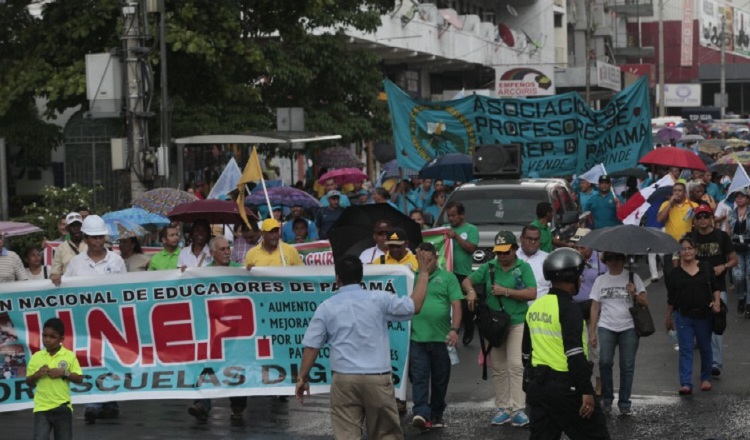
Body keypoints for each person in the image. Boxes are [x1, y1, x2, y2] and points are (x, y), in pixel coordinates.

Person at [295, 253, 430, 439]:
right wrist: (423, 273)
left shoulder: (326, 307)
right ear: (360, 277)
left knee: (346, 435)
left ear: (337, 278)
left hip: (344, 380)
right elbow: (414, 306)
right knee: (386, 435)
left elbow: (312, 347)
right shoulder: (380, 299)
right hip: (377, 378)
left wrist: (302, 378)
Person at [522, 248, 610, 440]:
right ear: (572, 277)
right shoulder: (570, 309)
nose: (582, 280)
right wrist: (586, 391)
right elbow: (575, 354)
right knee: (596, 434)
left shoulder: (536, 306)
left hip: (539, 386)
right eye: (580, 275)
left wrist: (530, 386)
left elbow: (526, 353)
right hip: (566, 387)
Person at [462, 231, 537, 427]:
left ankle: (518, 408)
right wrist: (470, 292)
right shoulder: (489, 266)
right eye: (499, 252)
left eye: (506, 252)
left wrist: (506, 292)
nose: (502, 256)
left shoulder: (523, 267)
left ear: (514, 249)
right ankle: (503, 408)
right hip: (494, 324)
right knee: (499, 367)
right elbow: (467, 280)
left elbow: (532, 293)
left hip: (516, 322)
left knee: (515, 365)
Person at [57, 215, 126, 423]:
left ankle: (110, 403)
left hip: (111, 321)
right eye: (93, 237)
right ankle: (93, 403)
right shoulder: (76, 263)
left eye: (100, 237)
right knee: (91, 360)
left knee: (110, 362)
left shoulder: (116, 261)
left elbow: (126, 289)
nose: (97, 241)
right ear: (85, 238)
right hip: (84, 323)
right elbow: (65, 290)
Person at [189, 235, 248, 423]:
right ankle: (202, 404)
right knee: (206, 365)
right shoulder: (202, 274)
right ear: (212, 253)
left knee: (237, 365)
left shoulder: (241, 270)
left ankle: (238, 404)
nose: (227, 252)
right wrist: (184, 275)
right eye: (222, 249)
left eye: (228, 248)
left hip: (236, 329)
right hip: (212, 329)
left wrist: (255, 272)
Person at [408, 242, 462, 431]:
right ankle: (421, 413)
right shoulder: (410, 278)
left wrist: (455, 329)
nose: (425, 265)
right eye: (421, 261)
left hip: (441, 339)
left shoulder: (448, 278)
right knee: (419, 377)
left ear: (436, 258)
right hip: (417, 339)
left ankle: (436, 412)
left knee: (440, 379)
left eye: (428, 261)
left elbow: (456, 304)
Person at [589, 251, 647, 415]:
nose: (613, 262)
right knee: (605, 362)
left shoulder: (633, 277)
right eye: (610, 259)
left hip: (629, 327)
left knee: (627, 366)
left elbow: (645, 301)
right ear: (605, 261)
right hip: (606, 326)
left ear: (623, 260)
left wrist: (634, 292)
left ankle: (624, 402)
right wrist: (592, 332)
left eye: (617, 259)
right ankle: (607, 399)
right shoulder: (600, 280)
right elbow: (595, 306)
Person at [665, 236, 721, 395]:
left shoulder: (705, 267)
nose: (687, 251)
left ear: (695, 250)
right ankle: (686, 383)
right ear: (679, 252)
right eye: (684, 248)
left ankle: (705, 378)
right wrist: (668, 317)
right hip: (683, 316)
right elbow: (671, 298)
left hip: (704, 315)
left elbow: (715, 287)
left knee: (705, 347)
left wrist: (717, 302)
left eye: (690, 248)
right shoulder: (674, 274)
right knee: (686, 349)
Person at [689, 204, 736, 377]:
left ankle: (716, 363)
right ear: (694, 220)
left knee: (717, 325)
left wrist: (723, 267)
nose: (703, 219)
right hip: (696, 288)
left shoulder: (721, 236)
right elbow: (682, 259)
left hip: (718, 286)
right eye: (699, 216)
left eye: (706, 216)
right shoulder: (691, 238)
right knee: (699, 327)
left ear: (711, 219)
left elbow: (733, 260)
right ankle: (706, 361)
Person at [26, 318, 84, 440]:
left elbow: (79, 379)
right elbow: (29, 382)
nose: (47, 339)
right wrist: (37, 374)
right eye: (44, 336)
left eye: (52, 337)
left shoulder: (69, 356)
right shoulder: (36, 357)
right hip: (41, 407)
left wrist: (64, 372)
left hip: (62, 407)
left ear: (61, 339)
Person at [570, 227, 605, 397]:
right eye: (576, 247)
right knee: (578, 348)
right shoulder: (571, 259)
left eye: (582, 247)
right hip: (575, 308)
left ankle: (599, 384)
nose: (578, 250)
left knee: (595, 349)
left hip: (595, 309)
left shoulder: (601, 260)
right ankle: (582, 384)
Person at [444, 201, 479, 345]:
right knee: (450, 303)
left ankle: (469, 328)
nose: (451, 219)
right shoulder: (445, 229)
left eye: (453, 215)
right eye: (449, 216)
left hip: (463, 273)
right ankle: (453, 332)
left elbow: (471, 248)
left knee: (465, 305)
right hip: (448, 272)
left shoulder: (471, 229)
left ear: (462, 215)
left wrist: (457, 237)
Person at [657, 182, 698, 279]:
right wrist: (670, 203)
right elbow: (659, 219)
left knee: (687, 274)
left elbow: (697, 225)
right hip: (670, 245)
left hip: (687, 246)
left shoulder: (693, 205)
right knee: (670, 273)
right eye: (675, 190)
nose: (677, 193)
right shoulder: (666, 204)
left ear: (684, 193)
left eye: (680, 190)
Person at [725, 188, 750, 317]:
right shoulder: (731, 213)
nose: (739, 198)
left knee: (749, 275)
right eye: (737, 196)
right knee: (738, 276)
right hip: (736, 248)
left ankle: (748, 304)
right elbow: (728, 234)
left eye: (742, 196)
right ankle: (741, 297)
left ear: (747, 198)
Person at [49, 212, 88, 286]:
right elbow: (55, 273)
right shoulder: (60, 249)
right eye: (72, 226)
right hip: (70, 289)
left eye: (78, 225)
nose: (76, 228)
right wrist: (54, 277)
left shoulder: (91, 244)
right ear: (67, 228)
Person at [516, 225, 550, 303]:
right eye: (529, 238)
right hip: (514, 309)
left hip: (541, 310)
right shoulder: (510, 257)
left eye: (536, 239)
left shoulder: (548, 259)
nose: (533, 242)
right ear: (521, 239)